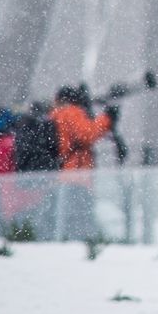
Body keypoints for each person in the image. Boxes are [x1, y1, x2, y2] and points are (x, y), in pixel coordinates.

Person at [51, 85, 115, 240]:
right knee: (80, 222)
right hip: (75, 177)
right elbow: (86, 134)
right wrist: (107, 118)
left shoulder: (54, 114)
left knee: (63, 220)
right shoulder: (70, 112)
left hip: (59, 176)